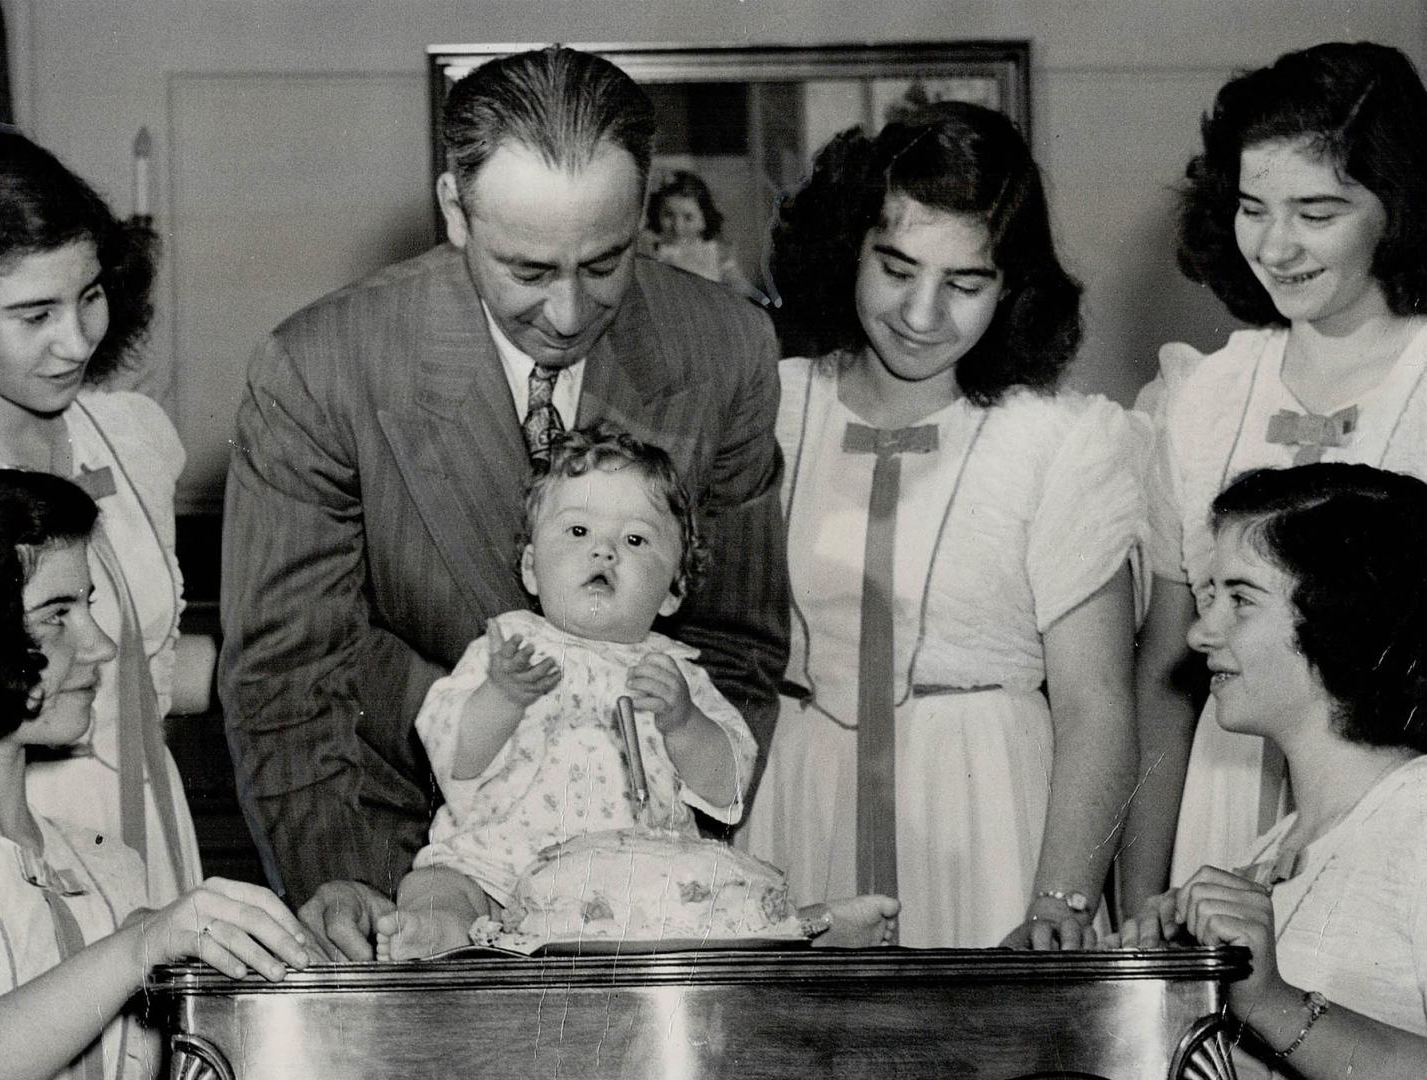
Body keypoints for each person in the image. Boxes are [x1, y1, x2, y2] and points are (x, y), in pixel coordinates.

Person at [219, 45, 790, 958]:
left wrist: (649, 871)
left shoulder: (724, 348)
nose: (567, 314)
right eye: (527, 271)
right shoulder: (321, 368)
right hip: (388, 842)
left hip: (634, 888)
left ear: (642, 208)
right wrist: (350, 884)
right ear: (455, 208)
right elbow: (290, 676)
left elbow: (737, 647)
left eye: (605, 263)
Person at [739, 103, 1145, 949]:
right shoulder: (769, 404)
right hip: (797, 808)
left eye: (965, 284)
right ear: (848, 246)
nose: (923, 314)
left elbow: (1096, 703)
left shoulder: (1060, 441)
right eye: (895, 268)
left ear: (1012, 287)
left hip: (993, 818)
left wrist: (1058, 904)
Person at [1122, 42, 1427, 912]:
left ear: (1397, 209)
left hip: (1397, 828)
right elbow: (1164, 672)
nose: (1275, 245)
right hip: (1219, 813)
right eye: (1253, 208)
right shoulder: (1201, 394)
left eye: (1317, 212)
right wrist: (1143, 892)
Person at [0, 468, 310, 1080]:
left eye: (86, 605)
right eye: (56, 614)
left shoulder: (108, 866)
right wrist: (133, 951)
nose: (101, 646)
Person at [0, 125, 202, 905]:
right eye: (34, 315)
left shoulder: (134, 435)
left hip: (149, 836)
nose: (75, 342)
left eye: (90, 296)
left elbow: (153, 671)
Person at [376, 424, 756, 957]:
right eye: (578, 532)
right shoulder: (506, 650)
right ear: (531, 567)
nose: (604, 552)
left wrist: (684, 723)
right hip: (498, 872)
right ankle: (436, 933)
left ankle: (802, 932)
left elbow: (729, 789)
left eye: (635, 540)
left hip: (634, 893)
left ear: (673, 590)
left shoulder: (678, 677)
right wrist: (503, 696)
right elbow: (452, 756)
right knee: (437, 887)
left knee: (715, 900)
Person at [1109, 464, 1427, 1078]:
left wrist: (1275, 1006)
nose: (1201, 633)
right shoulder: (1274, 848)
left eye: (1241, 600)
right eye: (1209, 597)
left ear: (1341, 616)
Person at [643, 170, 755, 296]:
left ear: (704, 219)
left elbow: (740, 287)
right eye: (668, 215)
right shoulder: (654, 250)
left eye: (688, 217)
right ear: (657, 213)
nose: (677, 226)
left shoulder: (717, 252)